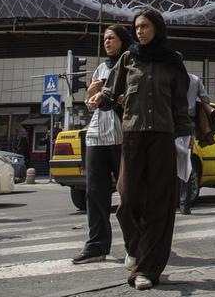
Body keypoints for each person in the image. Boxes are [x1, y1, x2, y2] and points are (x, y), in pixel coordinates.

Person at [97, 8, 192, 291]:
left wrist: (186, 136)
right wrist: (100, 98)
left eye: (146, 26)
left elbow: (179, 102)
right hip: (133, 135)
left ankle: (147, 269)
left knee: (160, 204)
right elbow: (110, 91)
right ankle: (136, 248)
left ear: (157, 28)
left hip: (163, 136)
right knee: (127, 199)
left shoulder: (172, 61)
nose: (140, 31)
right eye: (137, 27)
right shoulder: (129, 57)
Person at [72, 24, 133, 265]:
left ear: (123, 41)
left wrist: (112, 96)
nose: (107, 42)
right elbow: (90, 104)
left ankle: (134, 244)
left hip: (121, 136)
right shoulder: (101, 67)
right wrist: (91, 94)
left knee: (128, 194)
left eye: (112, 38)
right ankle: (96, 245)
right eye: (105, 38)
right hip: (96, 135)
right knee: (95, 194)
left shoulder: (130, 65)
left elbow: (133, 101)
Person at [177, 72, 211, 215]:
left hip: (168, 123)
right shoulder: (195, 79)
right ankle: (185, 205)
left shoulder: (168, 76)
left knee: (165, 164)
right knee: (185, 166)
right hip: (187, 124)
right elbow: (205, 98)